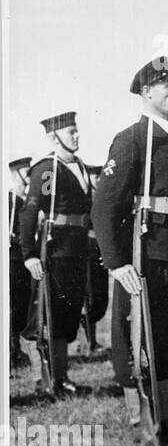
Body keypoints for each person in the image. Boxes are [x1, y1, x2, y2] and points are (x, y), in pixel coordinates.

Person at [92, 56, 168, 445]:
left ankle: (166, 415)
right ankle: (141, 421)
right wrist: (116, 262)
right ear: (146, 92)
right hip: (144, 254)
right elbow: (105, 205)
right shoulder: (132, 139)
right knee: (135, 336)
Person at [19, 112, 93, 395]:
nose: (76, 136)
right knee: (46, 315)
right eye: (70, 132)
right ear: (53, 137)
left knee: (67, 314)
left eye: (77, 130)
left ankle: (61, 378)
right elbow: (30, 211)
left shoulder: (80, 165)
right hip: (54, 251)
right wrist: (29, 255)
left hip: (76, 249)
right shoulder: (48, 168)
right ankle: (45, 381)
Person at [81, 162, 110, 351]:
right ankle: (88, 342)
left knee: (100, 298)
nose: (97, 180)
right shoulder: (83, 200)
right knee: (89, 298)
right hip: (87, 251)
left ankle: (92, 341)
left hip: (101, 250)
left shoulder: (104, 198)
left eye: (99, 176)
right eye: (94, 176)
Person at [9, 157, 33, 369]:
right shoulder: (9, 200)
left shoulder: (26, 202)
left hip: (23, 261)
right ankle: (10, 352)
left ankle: (16, 350)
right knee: (12, 307)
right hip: (11, 261)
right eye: (26, 172)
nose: (29, 177)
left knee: (22, 307)